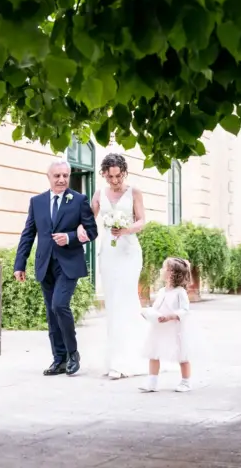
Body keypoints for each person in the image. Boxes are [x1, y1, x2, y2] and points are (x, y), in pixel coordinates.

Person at [14, 159, 98, 377]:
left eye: (65, 176)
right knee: (52, 313)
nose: (62, 179)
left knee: (60, 305)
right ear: (49, 177)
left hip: (69, 264)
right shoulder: (37, 202)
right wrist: (19, 264)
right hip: (44, 264)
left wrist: (70, 237)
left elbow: (91, 231)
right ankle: (58, 359)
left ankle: (73, 354)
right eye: (57, 176)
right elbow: (28, 234)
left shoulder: (79, 200)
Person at [78, 153, 147, 379]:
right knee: (113, 303)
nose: (115, 181)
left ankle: (129, 359)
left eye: (118, 176)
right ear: (104, 174)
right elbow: (89, 219)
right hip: (108, 251)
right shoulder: (99, 194)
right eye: (110, 177)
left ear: (124, 172)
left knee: (126, 301)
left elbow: (141, 221)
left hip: (129, 251)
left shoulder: (134, 192)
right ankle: (116, 359)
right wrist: (80, 230)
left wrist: (125, 230)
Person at [139, 257, 193, 393]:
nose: (161, 270)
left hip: (175, 328)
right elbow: (158, 306)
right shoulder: (162, 291)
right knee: (154, 352)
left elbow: (185, 310)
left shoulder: (180, 292)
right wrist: (150, 314)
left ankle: (186, 381)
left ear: (172, 273)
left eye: (164, 268)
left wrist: (171, 316)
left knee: (182, 354)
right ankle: (152, 382)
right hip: (160, 327)